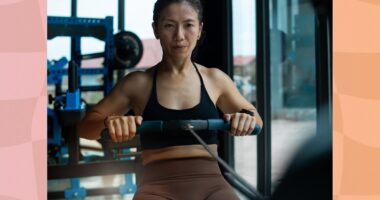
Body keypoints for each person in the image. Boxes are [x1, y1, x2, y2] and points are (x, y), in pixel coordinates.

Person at [77, 0, 263, 199]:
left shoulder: (215, 79)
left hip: (213, 187)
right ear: (156, 29)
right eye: (169, 26)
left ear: (200, 29)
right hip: (156, 189)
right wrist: (109, 123)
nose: (179, 36)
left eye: (188, 25)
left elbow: (257, 121)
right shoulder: (138, 83)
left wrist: (246, 119)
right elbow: (85, 128)